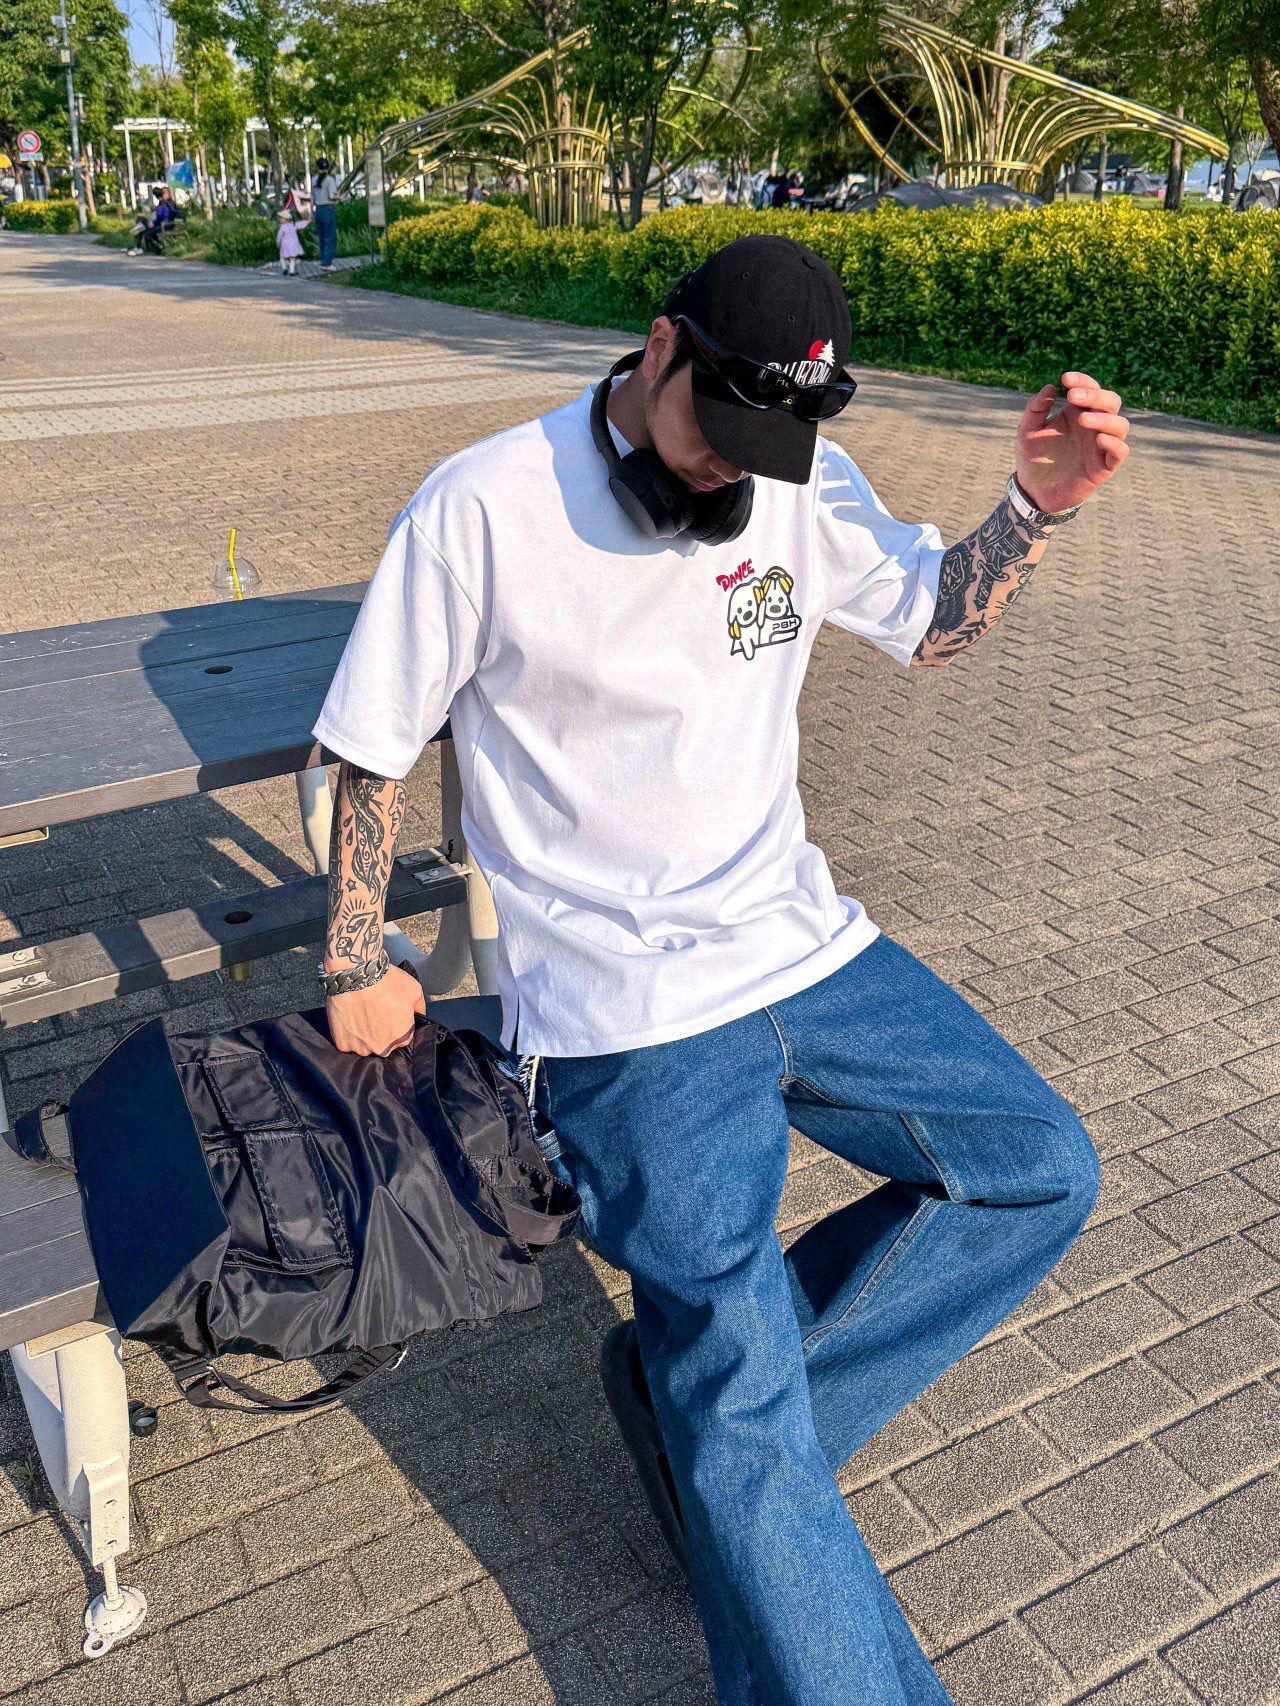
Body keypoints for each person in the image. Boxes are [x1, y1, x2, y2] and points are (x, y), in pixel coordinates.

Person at [311, 234, 1130, 1704]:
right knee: (742, 1408)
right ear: (658, 346)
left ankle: (715, 1431)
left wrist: (1036, 507)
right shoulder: (484, 505)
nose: (729, 468)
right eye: (718, 425)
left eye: (769, 442)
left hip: (801, 943)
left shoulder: (797, 476)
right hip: (621, 1004)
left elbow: (929, 621)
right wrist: (357, 953)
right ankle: (735, 1449)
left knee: (1036, 1167)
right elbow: (364, 750)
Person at [311, 156, 339, 270]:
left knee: (322, 237)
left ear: (317, 167)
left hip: (318, 210)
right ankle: (328, 263)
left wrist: (311, 212)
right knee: (330, 237)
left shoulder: (313, 180)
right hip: (328, 209)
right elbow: (332, 196)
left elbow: (312, 197)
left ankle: (323, 260)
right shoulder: (329, 180)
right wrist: (340, 198)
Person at [275, 207, 309, 276]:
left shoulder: (282, 227)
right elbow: (301, 225)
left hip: (285, 245)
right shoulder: (293, 225)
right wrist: (308, 221)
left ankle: (284, 268)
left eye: (281, 218)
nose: (279, 219)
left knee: (282, 257)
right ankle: (291, 271)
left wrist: (278, 243)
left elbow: (279, 236)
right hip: (293, 245)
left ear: (286, 219)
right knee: (292, 258)